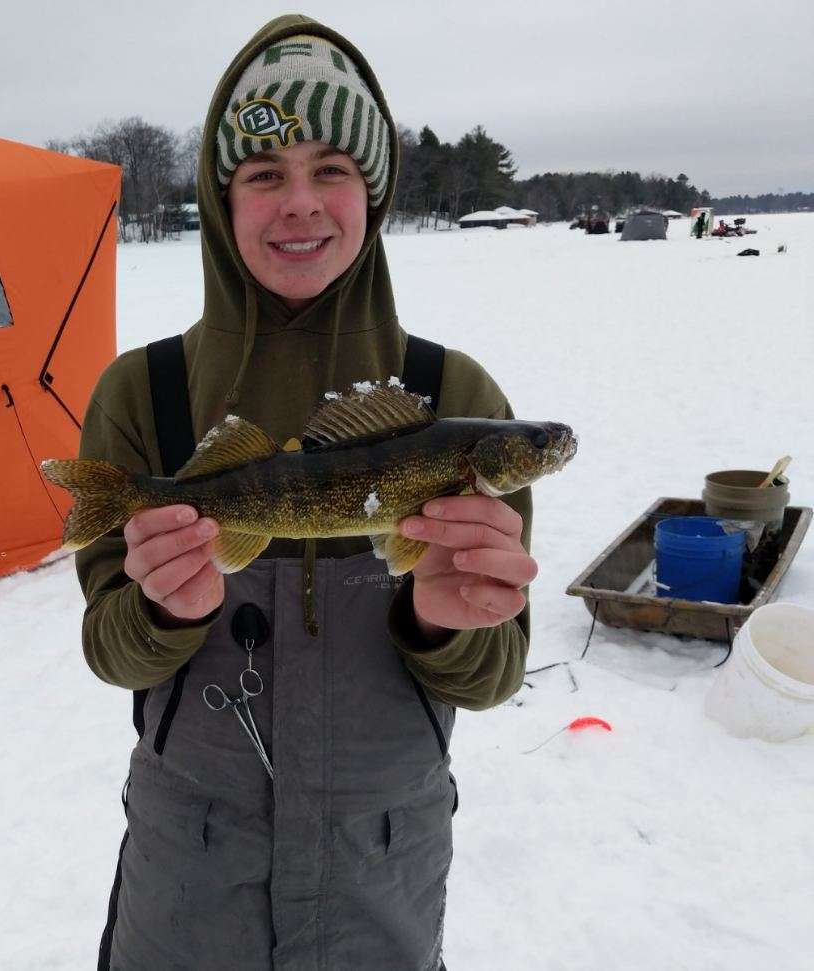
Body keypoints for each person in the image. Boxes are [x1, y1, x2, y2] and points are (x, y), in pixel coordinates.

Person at [76, 15, 535, 970]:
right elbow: (111, 653)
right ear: (220, 195)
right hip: (187, 875)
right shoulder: (142, 394)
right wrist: (161, 611)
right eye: (262, 173)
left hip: (384, 865)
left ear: (372, 189)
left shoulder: (456, 403)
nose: (300, 205)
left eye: (331, 168)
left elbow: (491, 680)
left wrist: (446, 622)